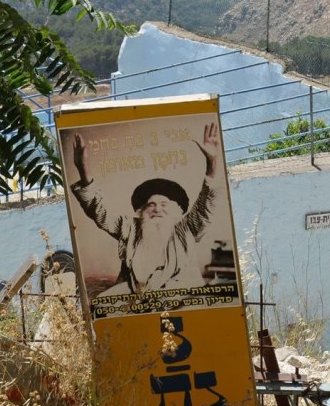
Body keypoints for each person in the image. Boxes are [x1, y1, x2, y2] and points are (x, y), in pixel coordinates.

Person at [68, 123, 225, 296]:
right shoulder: (129, 227)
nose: (157, 209)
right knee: (103, 303)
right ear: (142, 210)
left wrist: (212, 162)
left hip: (182, 293)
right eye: (151, 204)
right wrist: (83, 169)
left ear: (177, 210)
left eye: (164, 204)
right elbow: (98, 210)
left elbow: (207, 205)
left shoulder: (186, 226)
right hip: (136, 294)